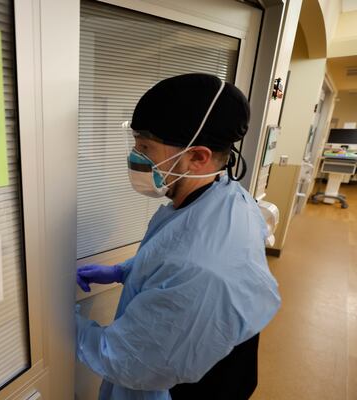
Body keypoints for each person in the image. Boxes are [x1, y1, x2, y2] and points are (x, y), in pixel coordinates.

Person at [75, 73, 281, 400]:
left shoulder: (200, 270)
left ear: (197, 158)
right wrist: (122, 272)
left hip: (192, 387)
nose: (135, 156)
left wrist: (61, 320)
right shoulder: (226, 195)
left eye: (145, 147)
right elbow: (173, 250)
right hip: (222, 359)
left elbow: (125, 359)